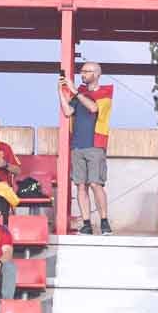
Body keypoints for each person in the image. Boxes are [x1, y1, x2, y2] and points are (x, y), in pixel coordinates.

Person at [57, 62, 113, 235]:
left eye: (86, 71)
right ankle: (87, 223)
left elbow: (93, 108)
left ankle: (104, 221)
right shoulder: (80, 92)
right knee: (81, 185)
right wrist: (60, 91)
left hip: (95, 144)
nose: (83, 74)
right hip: (78, 145)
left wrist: (75, 91)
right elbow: (68, 112)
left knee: (96, 184)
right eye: (82, 71)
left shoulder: (104, 92)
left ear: (96, 74)